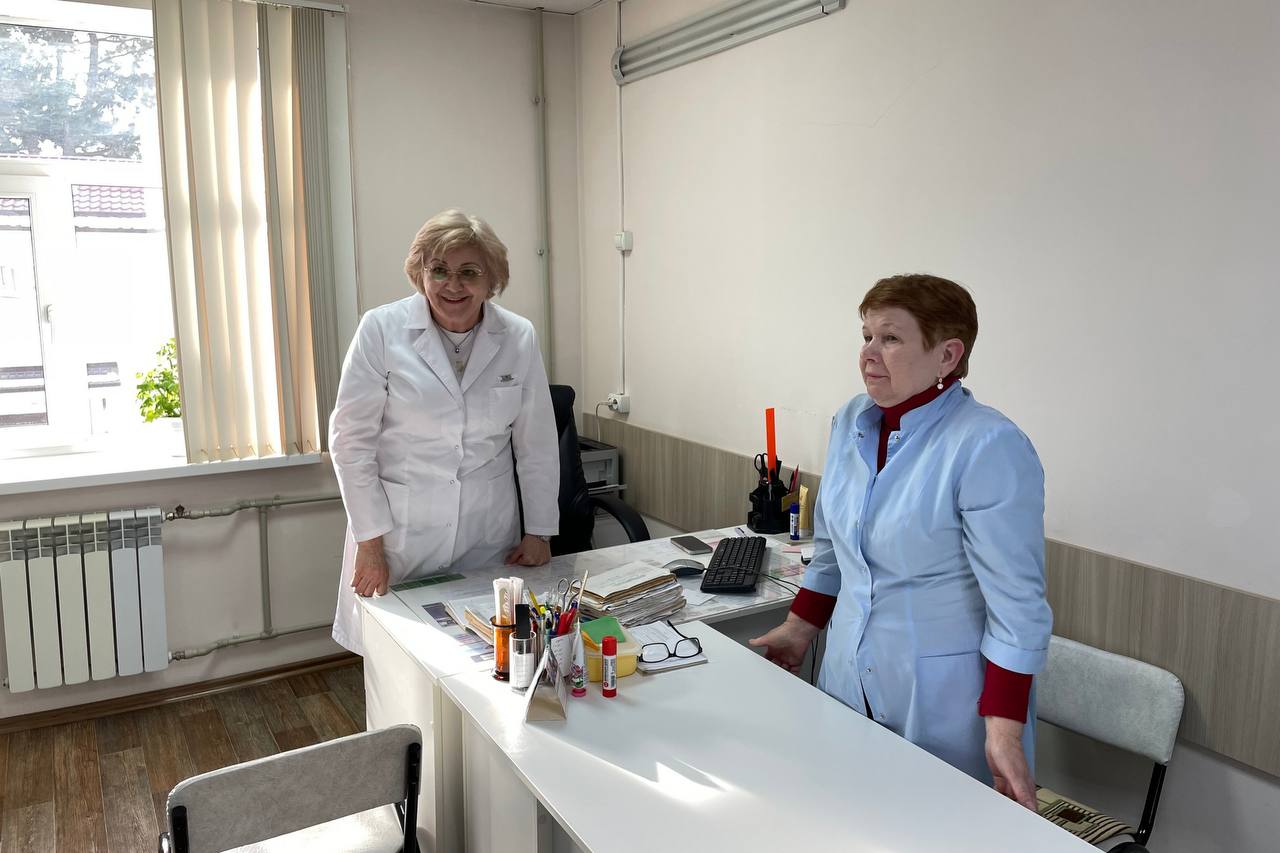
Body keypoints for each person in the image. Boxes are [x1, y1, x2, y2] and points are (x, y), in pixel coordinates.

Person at [750, 274, 1052, 810]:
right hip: (847, 678)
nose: (868, 354)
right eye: (866, 335)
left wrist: (1004, 730)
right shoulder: (852, 421)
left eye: (889, 338)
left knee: (931, 826)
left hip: (940, 702)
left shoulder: (987, 445)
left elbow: (1017, 608)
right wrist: (798, 631)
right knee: (844, 819)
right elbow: (834, 551)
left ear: (947, 355)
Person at [329, 209, 559, 655]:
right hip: (399, 537)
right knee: (400, 665)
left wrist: (540, 531)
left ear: (492, 279)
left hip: (486, 534)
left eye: (469, 272)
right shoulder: (381, 330)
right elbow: (350, 443)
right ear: (420, 274)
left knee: (488, 656)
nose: (453, 285)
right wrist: (370, 545)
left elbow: (537, 443)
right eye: (439, 270)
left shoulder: (518, 336)